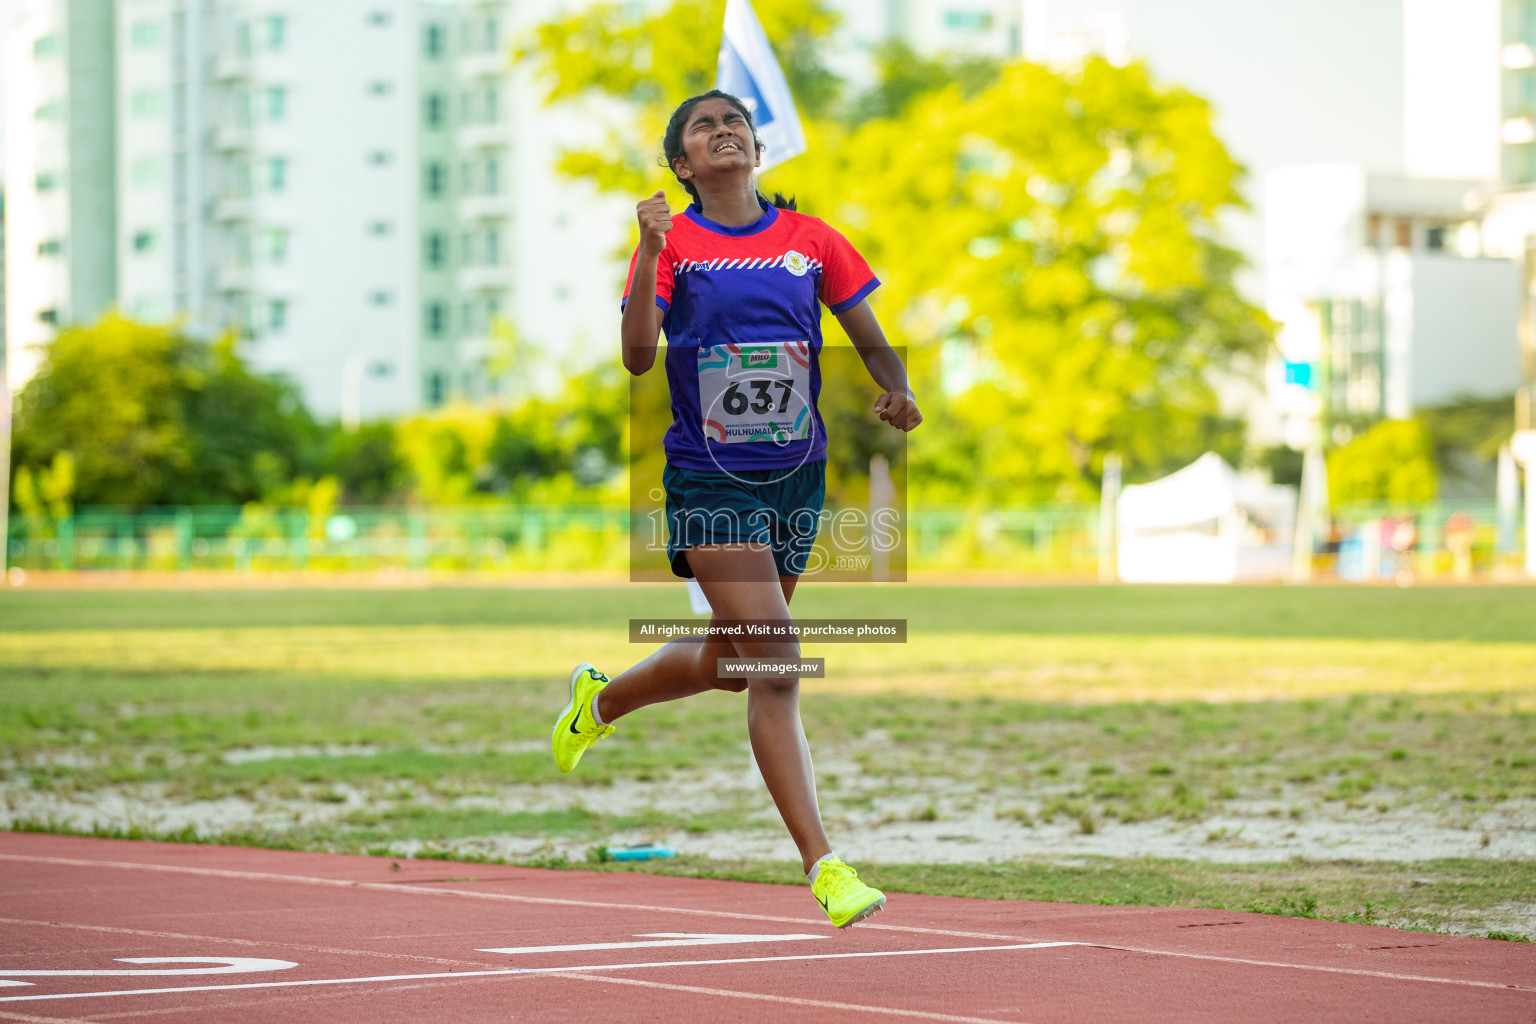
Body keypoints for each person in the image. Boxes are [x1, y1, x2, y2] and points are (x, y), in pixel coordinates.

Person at [551, 90, 921, 929]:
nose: (726, 131)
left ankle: (599, 703)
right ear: (682, 165)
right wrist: (647, 252)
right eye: (704, 127)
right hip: (708, 477)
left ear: (758, 147)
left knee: (738, 659)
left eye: (736, 123)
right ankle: (825, 866)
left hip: (798, 473)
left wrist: (896, 390)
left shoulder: (811, 238)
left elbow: (864, 331)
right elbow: (639, 358)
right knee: (779, 659)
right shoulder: (671, 239)